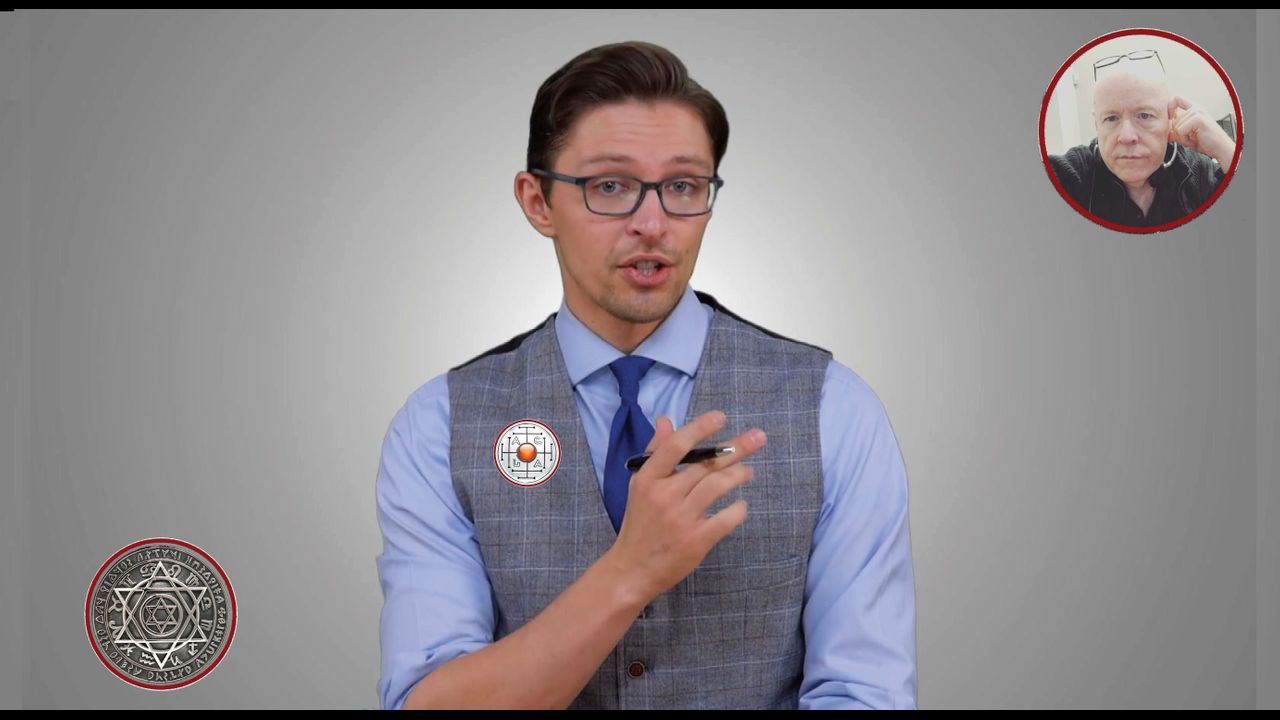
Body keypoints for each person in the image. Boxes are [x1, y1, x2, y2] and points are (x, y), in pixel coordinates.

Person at [374, 40, 917, 710]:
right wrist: (629, 573)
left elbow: (865, 694)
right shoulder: (440, 426)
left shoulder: (834, 408)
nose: (653, 224)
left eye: (683, 187)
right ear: (538, 202)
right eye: (610, 186)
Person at [1047, 51, 1236, 227]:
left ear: (1170, 119)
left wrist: (1226, 149)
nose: (1127, 137)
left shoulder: (1199, 174)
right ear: (1097, 125)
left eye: (1144, 115)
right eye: (1111, 118)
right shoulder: (1075, 175)